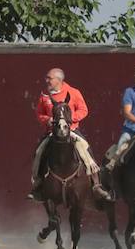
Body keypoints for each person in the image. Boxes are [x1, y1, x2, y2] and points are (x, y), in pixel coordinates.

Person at [29, 67, 109, 201]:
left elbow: (84, 110)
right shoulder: (44, 95)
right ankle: (37, 185)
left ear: (59, 80)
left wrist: (70, 119)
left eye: (50, 78)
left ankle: (96, 184)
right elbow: (39, 113)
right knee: (39, 152)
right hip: (52, 133)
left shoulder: (73, 92)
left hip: (71, 131)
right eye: (47, 78)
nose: (47, 81)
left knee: (86, 150)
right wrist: (47, 120)